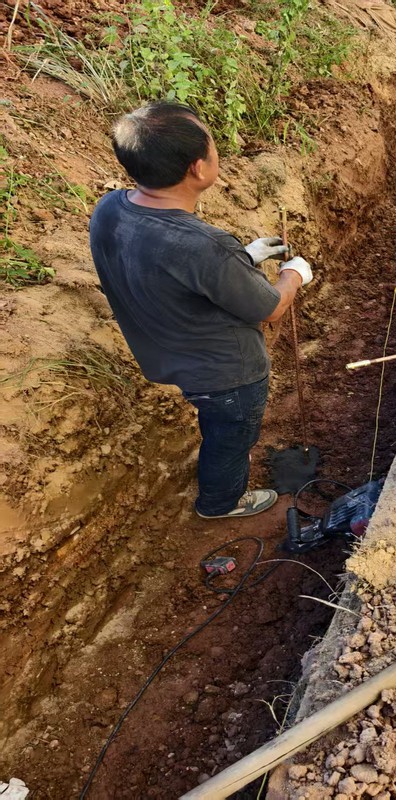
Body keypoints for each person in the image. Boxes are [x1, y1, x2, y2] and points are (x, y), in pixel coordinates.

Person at [89, 101, 313, 519]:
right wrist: (294, 274)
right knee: (232, 435)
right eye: (213, 147)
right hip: (226, 372)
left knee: (219, 420)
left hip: (167, 353)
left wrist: (241, 259)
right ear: (198, 168)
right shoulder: (203, 245)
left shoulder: (110, 209)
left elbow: (173, 273)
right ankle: (221, 502)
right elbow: (271, 308)